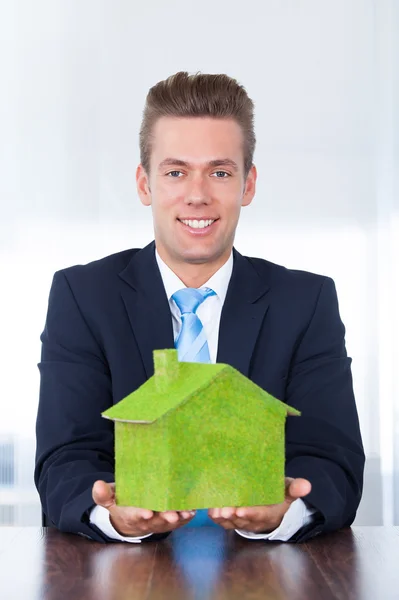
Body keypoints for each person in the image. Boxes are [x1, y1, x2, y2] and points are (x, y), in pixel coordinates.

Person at [35, 71, 365, 544]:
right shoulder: (83, 296)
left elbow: (333, 459)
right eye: (175, 172)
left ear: (247, 185)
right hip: (120, 572)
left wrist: (284, 511)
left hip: (266, 573)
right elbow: (64, 458)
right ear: (144, 184)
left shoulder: (306, 302)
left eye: (220, 172)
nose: (197, 194)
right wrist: (111, 513)